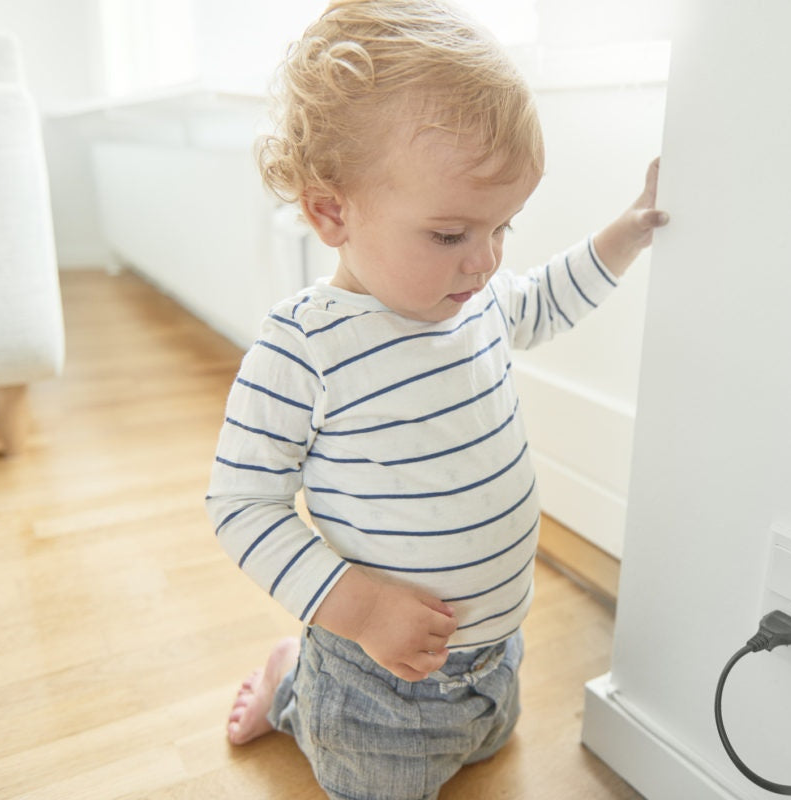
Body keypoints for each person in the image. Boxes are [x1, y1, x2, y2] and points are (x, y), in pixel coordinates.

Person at [206, 1, 667, 797]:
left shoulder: (475, 298)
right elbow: (242, 504)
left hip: (496, 653)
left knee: (491, 750)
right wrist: (356, 609)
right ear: (331, 212)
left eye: (504, 229)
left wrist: (625, 233)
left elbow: (547, 301)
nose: (485, 261)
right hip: (375, 684)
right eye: (452, 235)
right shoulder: (306, 347)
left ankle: (372, 697)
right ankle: (297, 689)